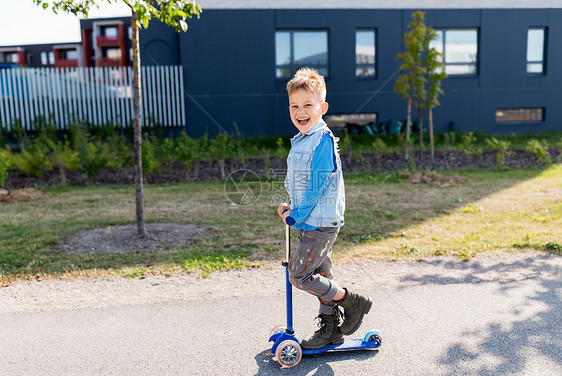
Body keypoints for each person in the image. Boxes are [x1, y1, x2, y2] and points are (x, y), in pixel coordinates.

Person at [277, 67, 372, 350]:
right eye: (295, 105)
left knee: (299, 275)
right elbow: (302, 185)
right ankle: (330, 327)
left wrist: (296, 215)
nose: (300, 111)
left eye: (308, 105)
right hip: (312, 220)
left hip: (320, 223)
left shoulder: (322, 140)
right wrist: (290, 206)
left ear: (323, 108)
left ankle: (351, 301)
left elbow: (317, 186)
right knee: (322, 275)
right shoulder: (302, 140)